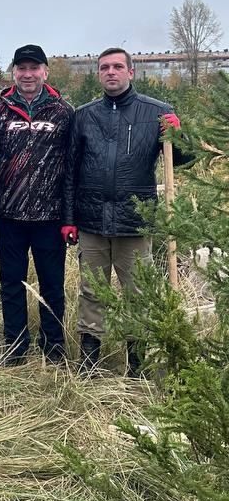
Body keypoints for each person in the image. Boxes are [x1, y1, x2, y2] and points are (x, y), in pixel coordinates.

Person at [63, 47, 192, 374]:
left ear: (131, 72)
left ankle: (137, 366)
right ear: (98, 74)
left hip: (135, 223)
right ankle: (89, 363)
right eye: (104, 67)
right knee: (92, 292)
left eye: (118, 66)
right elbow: (70, 172)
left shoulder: (157, 112)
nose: (111, 72)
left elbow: (180, 160)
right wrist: (69, 219)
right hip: (91, 223)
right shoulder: (84, 115)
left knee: (137, 293)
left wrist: (179, 135)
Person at [0, 44, 74, 366]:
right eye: (21, 68)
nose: (28, 74)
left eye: (34, 68)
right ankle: (15, 347)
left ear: (45, 72)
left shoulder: (63, 112)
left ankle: (54, 348)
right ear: (14, 73)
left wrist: (69, 215)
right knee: (11, 284)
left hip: (50, 218)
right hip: (10, 214)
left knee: (52, 285)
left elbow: (71, 167)